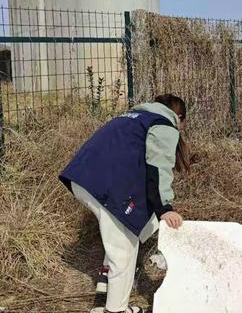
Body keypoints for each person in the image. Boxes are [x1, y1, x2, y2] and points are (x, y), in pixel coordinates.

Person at [59, 94, 190, 313]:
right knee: (125, 248)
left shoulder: (134, 116)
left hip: (84, 176)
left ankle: (105, 278)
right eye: (184, 123)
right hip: (106, 185)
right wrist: (165, 207)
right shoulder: (165, 123)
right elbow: (158, 168)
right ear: (179, 117)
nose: (182, 128)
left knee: (136, 225)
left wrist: (156, 211)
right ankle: (116, 309)